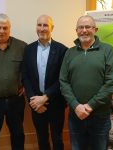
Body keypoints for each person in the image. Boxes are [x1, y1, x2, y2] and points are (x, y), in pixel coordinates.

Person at [59, 15, 113, 150]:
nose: (84, 30)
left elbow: (111, 83)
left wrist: (90, 106)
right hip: (76, 115)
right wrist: (76, 106)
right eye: (81, 27)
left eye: (88, 27)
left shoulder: (107, 50)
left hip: (100, 116)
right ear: (76, 30)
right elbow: (63, 81)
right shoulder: (69, 53)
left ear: (95, 29)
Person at [22, 14, 68, 150]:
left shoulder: (62, 50)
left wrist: (46, 97)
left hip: (56, 103)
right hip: (36, 103)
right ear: (36, 27)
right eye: (39, 25)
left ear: (52, 28)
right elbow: (26, 77)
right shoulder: (28, 49)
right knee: (41, 138)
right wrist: (34, 102)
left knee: (57, 138)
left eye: (45, 25)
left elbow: (63, 78)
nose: (42, 28)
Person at [0, 13, 27, 150]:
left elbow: (30, 70)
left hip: (15, 101)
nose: (1, 31)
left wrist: (25, 84)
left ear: (10, 28)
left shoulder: (22, 47)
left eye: (5, 28)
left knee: (18, 135)